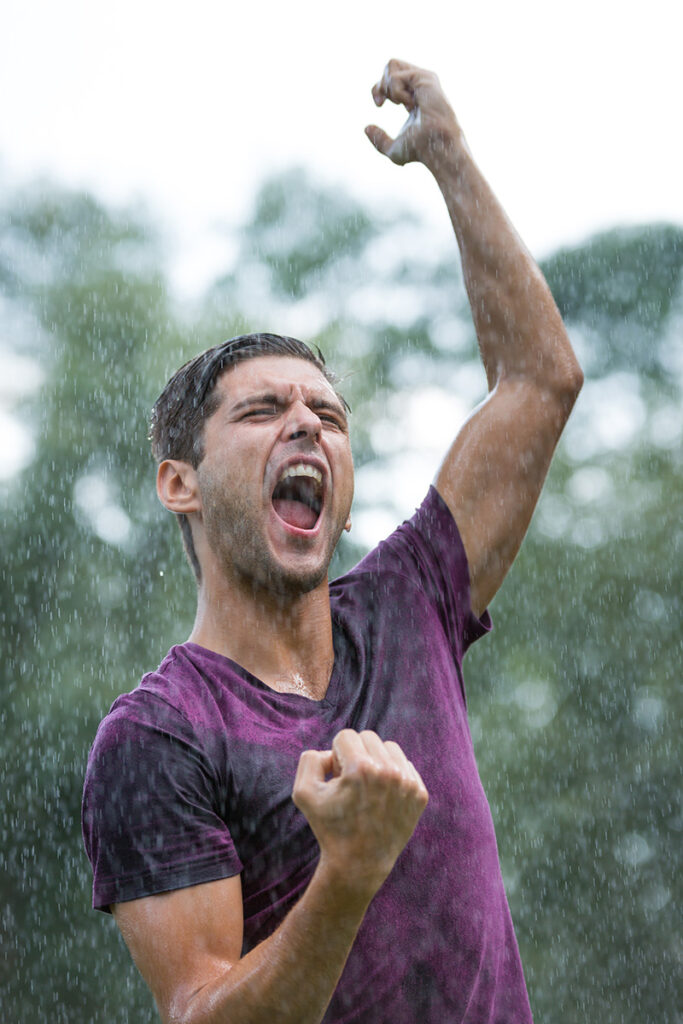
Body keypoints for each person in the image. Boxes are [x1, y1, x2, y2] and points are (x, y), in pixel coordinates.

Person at [82, 60, 583, 1023]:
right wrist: (348, 868)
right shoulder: (158, 737)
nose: (306, 426)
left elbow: (537, 381)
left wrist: (449, 159)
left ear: (344, 493)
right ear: (178, 483)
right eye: (263, 411)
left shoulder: (408, 604)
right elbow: (200, 1012)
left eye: (327, 414)